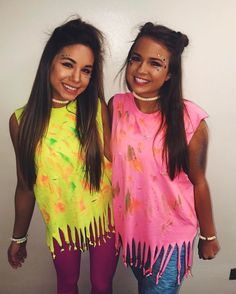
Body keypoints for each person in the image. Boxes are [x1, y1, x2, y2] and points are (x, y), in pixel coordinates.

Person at [7, 17, 118, 294]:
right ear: (49, 62)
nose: (76, 78)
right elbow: (25, 185)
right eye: (68, 64)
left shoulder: (95, 108)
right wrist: (18, 237)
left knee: (102, 285)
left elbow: (119, 164)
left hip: (103, 219)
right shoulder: (21, 121)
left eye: (86, 70)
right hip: (62, 225)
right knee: (66, 284)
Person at [109, 22, 220, 293]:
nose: (141, 69)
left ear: (170, 73)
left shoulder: (190, 120)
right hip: (132, 233)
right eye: (136, 58)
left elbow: (199, 182)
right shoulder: (116, 106)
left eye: (155, 63)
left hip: (170, 240)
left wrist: (208, 236)